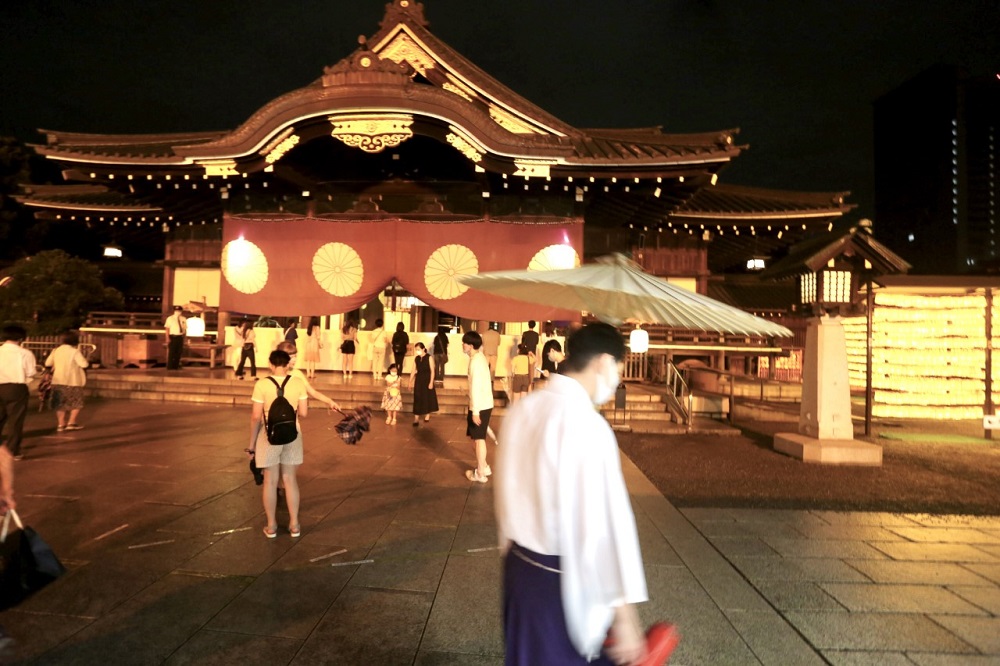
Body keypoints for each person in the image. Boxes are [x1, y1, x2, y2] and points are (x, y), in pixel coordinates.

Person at [494, 323, 649, 665]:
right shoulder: (588, 427)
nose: (617, 380)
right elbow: (603, 528)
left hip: (519, 570)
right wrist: (625, 617)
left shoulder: (523, 410)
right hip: (561, 583)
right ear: (604, 362)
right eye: (619, 370)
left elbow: (505, 492)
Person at [249, 350, 309, 539]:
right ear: (288, 363)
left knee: (270, 481)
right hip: (293, 435)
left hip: (269, 437)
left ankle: (272, 526)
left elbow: (256, 417)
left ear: (271, 363)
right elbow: (304, 413)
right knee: (290, 480)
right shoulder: (298, 383)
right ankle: (294, 525)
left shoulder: (262, 384)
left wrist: (251, 445)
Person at [0, 325, 37, 461]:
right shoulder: (25, 353)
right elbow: (31, 373)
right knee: (15, 420)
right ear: (21, 338)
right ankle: (12, 451)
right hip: (16, 388)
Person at [462, 330, 494, 483]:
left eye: (465, 343)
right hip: (483, 404)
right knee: (475, 439)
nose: (463, 345)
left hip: (480, 406)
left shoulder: (476, 361)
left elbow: (475, 386)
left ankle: (480, 473)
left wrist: (475, 411)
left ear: (471, 345)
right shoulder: (479, 358)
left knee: (479, 439)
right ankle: (484, 466)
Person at [43, 331, 90, 432]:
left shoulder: (56, 350)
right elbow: (84, 364)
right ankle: (71, 422)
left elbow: (47, 363)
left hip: (58, 380)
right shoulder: (74, 351)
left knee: (60, 403)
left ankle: (61, 424)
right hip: (73, 381)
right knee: (76, 402)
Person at [275, 341, 340, 410]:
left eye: (295, 356)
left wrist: (330, 402)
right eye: (291, 357)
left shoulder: (297, 373)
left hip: (292, 417)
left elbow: (313, 392)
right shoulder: (274, 376)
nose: (294, 360)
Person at [409, 342, 438, 426]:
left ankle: (427, 415)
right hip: (419, 380)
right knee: (417, 397)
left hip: (427, 379)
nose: (417, 351)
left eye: (418, 349)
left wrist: (431, 382)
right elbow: (413, 370)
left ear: (423, 349)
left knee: (427, 397)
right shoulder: (417, 358)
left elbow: (432, 371)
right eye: (416, 350)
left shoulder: (429, 358)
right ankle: (416, 418)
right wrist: (410, 382)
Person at [164, 306, 187, 370]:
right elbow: (167, 328)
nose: (178, 312)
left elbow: (184, 328)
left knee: (179, 352)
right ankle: (170, 366)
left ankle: (176, 366)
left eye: (179, 311)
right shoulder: (170, 318)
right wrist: (167, 338)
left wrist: (185, 337)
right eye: (176, 311)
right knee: (172, 352)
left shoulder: (183, 318)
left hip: (180, 337)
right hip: (173, 337)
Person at [520, 320, 540, 390]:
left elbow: (522, 343)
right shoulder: (536, 334)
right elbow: (537, 342)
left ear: (528, 325)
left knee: (525, 369)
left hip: (526, 353)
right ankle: (531, 384)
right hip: (533, 353)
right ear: (534, 326)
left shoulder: (525, 333)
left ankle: (525, 383)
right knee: (532, 369)